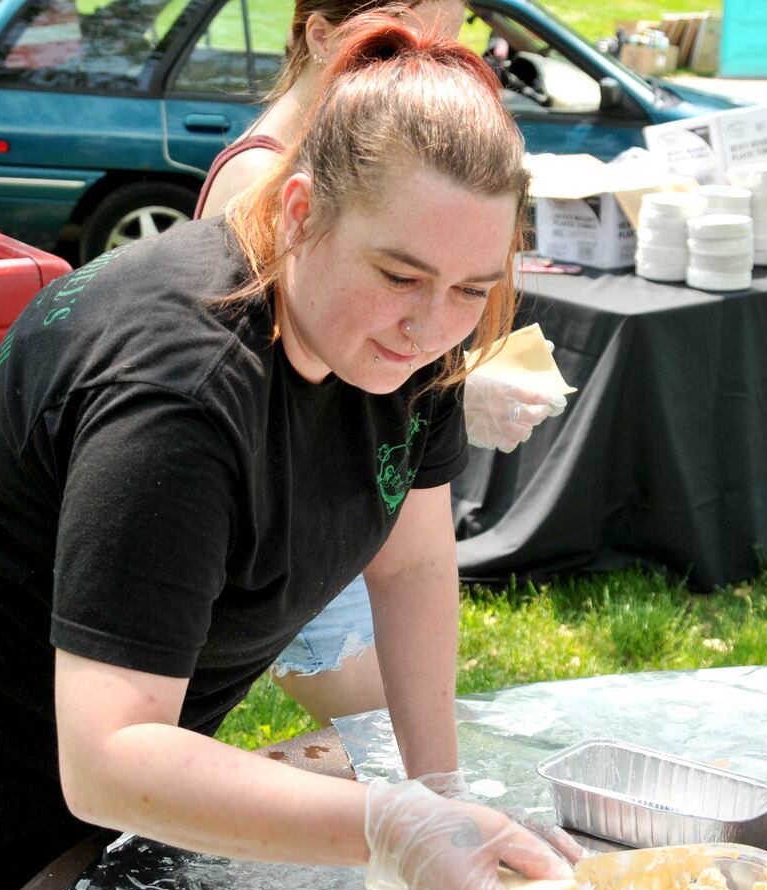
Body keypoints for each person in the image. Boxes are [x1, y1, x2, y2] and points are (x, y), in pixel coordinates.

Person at [0, 15, 579, 890]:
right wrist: (387, 826)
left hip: (129, 720)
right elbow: (106, 760)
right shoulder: (180, 396)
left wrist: (434, 794)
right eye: (401, 275)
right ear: (302, 211)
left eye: (470, 290)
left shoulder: (414, 342)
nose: (432, 326)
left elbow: (411, 563)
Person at [195, 0, 567, 726]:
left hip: (334, 515)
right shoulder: (262, 185)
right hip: (287, 519)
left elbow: (418, 567)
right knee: (377, 741)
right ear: (322, 34)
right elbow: (269, 385)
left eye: (447, 46)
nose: (425, 77)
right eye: (397, 45)